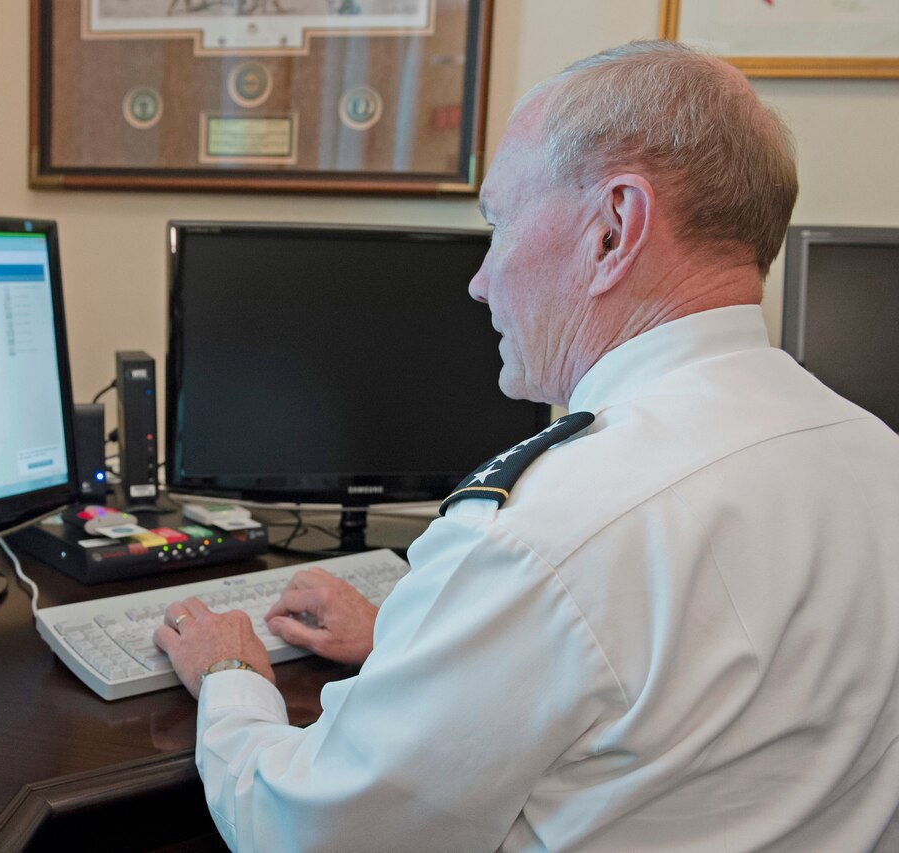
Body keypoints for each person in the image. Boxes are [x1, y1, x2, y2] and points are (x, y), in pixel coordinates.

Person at [153, 40, 899, 851]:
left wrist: (232, 681)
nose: (480, 280)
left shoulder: (539, 531)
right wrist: (423, 642)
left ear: (615, 227)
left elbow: (302, 830)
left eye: (499, 223)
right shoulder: (871, 454)